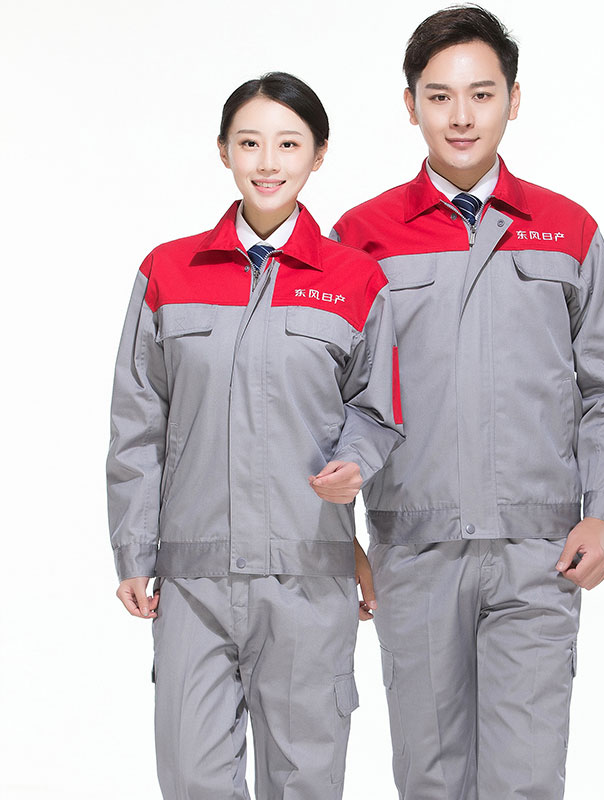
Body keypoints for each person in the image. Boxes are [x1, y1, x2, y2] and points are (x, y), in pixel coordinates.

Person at [332, 6, 604, 799]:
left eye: (481, 94)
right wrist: (340, 540)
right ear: (411, 105)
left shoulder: (567, 230)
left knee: (526, 779)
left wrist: (602, 514)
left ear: (514, 98)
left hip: (539, 552)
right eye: (439, 97)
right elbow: (322, 405)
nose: (461, 117)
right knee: (430, 779)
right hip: (414, 550)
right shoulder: (362, 237)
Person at [106, 71, 403, 800]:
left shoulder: (357, 279)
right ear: (224, 151)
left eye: (289, 144)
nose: (268, 163)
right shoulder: (168, 271)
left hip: (310, 577)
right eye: (249, 144)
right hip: (194, 581)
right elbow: (138, 422)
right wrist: (133, 550)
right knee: (192, 778)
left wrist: (355, 462)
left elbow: (379, 410)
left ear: (319, 154)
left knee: (305, 782)